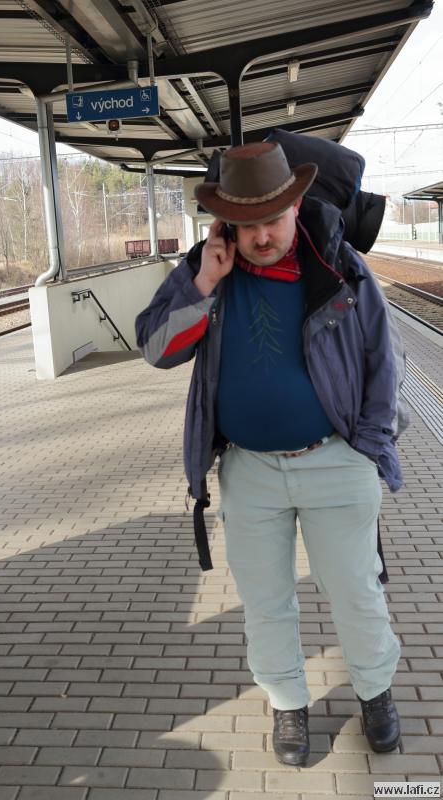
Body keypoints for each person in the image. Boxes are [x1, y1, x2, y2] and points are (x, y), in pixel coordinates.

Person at [135, 140, 408, 767]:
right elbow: (156, 348)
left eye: (273, 220)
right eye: (247, 223)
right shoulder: (207, 269)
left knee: (356, 592)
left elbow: (382, 361)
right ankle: (288, 701)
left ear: (296, 207)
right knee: (264, 601)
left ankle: (376, 692)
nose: (261, 237)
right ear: (226, 223)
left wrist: (368, 451)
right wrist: (205, 281)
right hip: (250, 471)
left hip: (336, 460)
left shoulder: (339, 265)